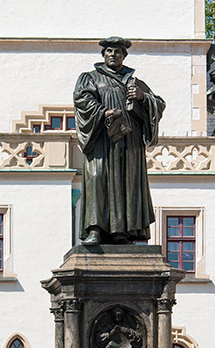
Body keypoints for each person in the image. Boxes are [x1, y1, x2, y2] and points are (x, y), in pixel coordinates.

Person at [74, 36, 165, 245]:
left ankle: (122, 232)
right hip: (101, 141)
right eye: (109, 51)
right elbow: (82, 101)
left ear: (124, 56)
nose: (113, 54)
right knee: (98, 179)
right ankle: (95, 229)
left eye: (117, 52)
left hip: (129, 142)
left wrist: (144, 98)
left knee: (127, 184)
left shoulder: (135, 82)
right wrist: (104, 112)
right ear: (103, 55)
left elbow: (159, 104)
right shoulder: (90, 78)